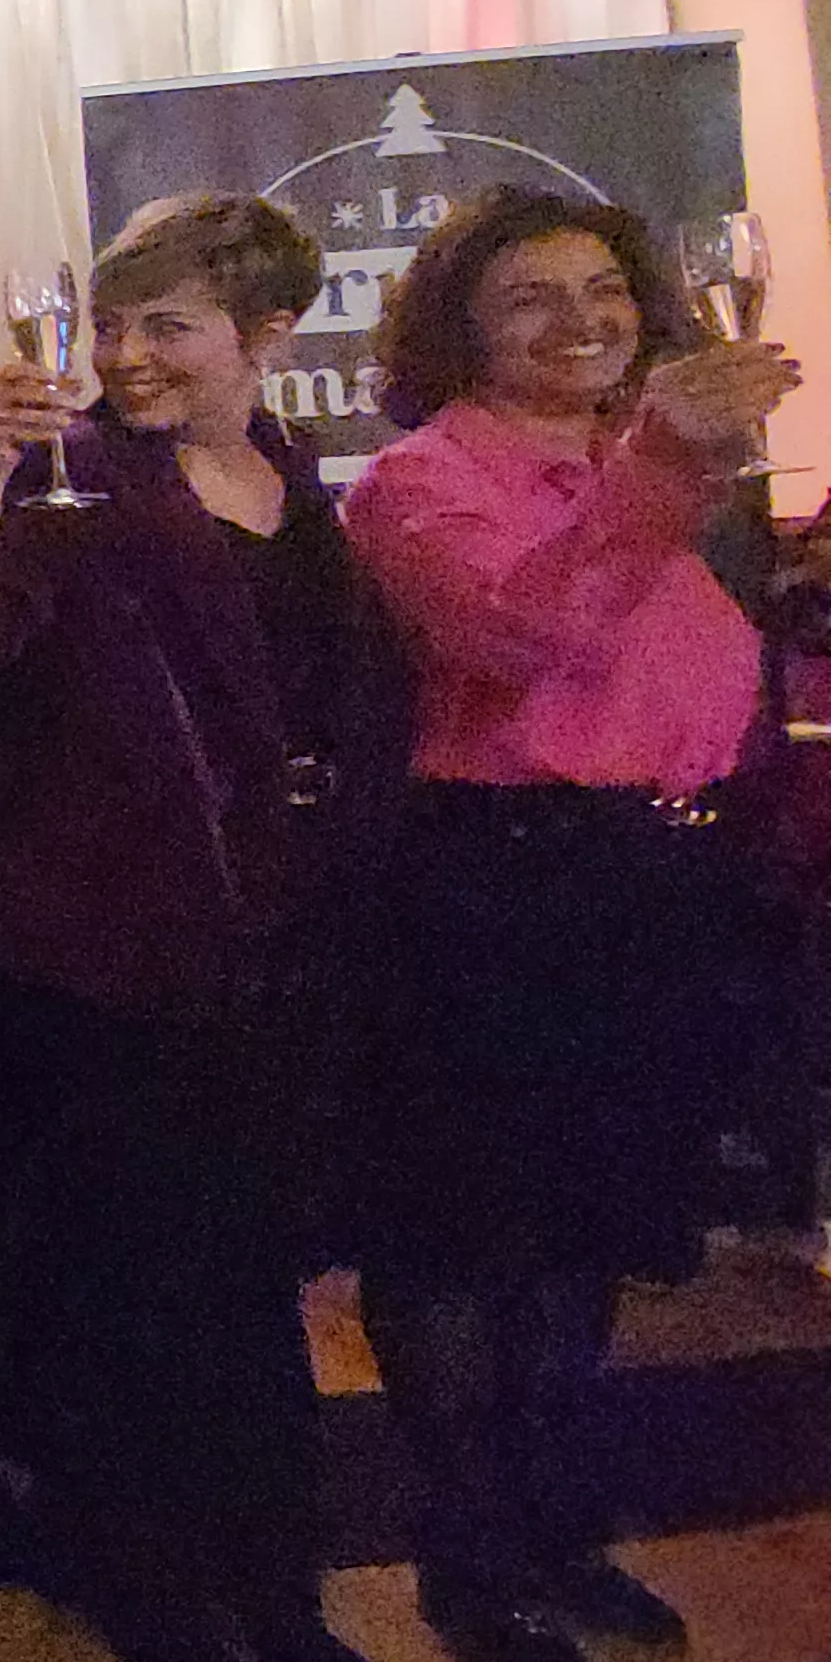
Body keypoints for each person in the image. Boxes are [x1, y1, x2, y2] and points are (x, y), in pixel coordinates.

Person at [0, 197, 406, 1662]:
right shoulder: (80, 482)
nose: (127, 356)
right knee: (121, 1283)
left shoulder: (294, 481)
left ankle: (271, 1579)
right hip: (103, 947)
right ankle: (143, 1578)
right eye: (114, 324)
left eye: (168, 326)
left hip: (270, 948)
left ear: (266, 337)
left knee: (253, 1286)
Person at [339, 187, 795, 1662]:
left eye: (601, 288)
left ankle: (558, 1532)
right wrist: (668, 462)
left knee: (586, 1236)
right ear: (459, 323)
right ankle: (469, 1564)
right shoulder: (418, 480)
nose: (581, 319)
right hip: (494, 883)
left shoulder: (645, 463)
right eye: (530, 296)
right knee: (470, 1239)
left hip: (646, 889)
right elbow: (514, 637)